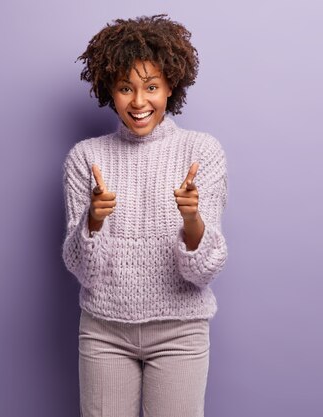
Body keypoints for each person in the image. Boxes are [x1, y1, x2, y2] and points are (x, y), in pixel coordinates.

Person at [62, 14, 228, 417]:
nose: (139, 102)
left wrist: (192, 220)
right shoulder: (86, 158)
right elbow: (81, 268)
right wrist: (93, 223)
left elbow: (203, 272)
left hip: (180, 333)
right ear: (110, 91)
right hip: (104, 332)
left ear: (171, 85)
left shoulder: (202, 153)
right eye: (125, 88)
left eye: (151, 87)